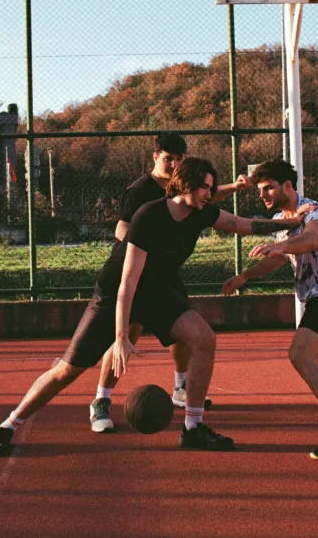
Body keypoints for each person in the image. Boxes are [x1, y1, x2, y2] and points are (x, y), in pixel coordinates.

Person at [0, 158, 307, 457]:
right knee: (66, 371)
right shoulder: (149, 215)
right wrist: (121, 337)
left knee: (204, 338)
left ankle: (193, 428)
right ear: (184, 184)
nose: (209, 194)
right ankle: (8, 425)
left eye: (211, 188)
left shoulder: (202, 212)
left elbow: (245, 225)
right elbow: (128, 282)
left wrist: (293, 222)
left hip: (155, 292)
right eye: (204, 187)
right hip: (114, 293)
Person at [88, 133, 252, 433]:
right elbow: (123, 227)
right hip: (138, 271)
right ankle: (101, 400)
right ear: (155, 157)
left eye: (179, 159)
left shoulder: (188, 187)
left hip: (166, 271)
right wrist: (144, 245)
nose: (174, 164)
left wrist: (235, 187)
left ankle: (180, 386)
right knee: (129, 334)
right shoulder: (140, 191)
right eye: (168, 159)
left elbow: (207, 198)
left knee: (185, 331)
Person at [221, 159, 318, 461]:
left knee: (300, 353)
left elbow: (312, 239)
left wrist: (282, 246)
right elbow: (277, 258)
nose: (262, 195)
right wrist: (245, 276)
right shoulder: (280, 219)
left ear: (287, 186)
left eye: (268, 188)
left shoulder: (316, 212)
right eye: (260, 190)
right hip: (316, 298)